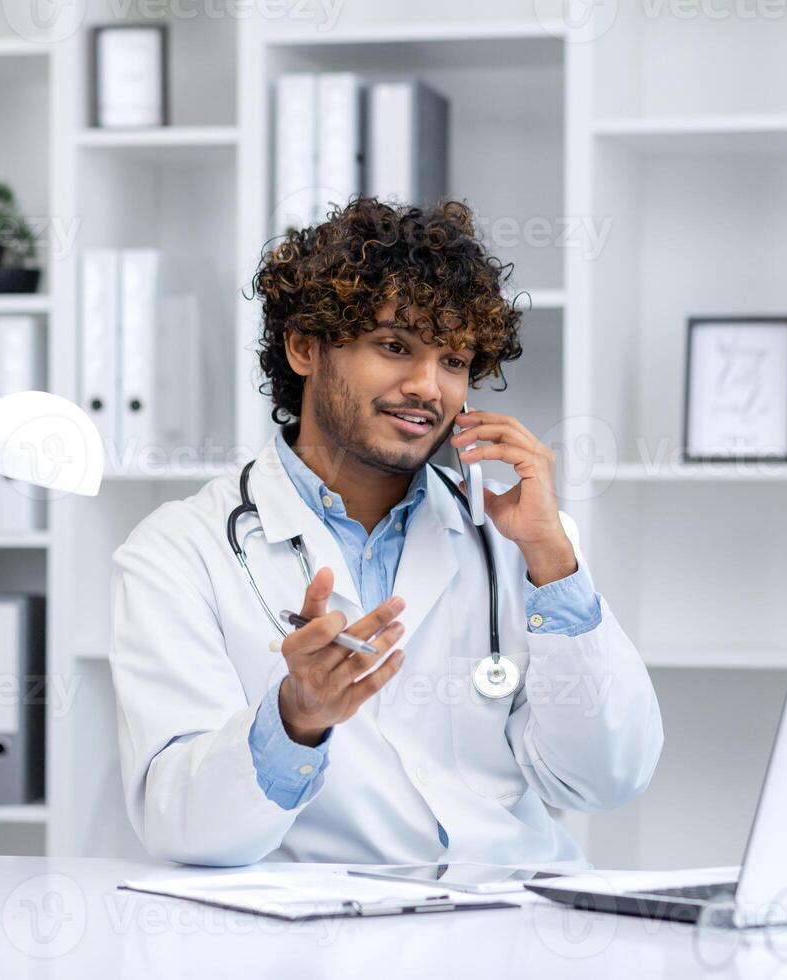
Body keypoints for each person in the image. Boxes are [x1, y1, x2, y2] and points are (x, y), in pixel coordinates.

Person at [109, 198, 662, 866]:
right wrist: (296, 718)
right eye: (395, 346)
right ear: (304, 346)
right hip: (318, 940)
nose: (428, 387)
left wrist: (554, 562)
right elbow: (184, 828)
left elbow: (607, 778)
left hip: (513, 920)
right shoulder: (178, 553)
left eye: (454, 360)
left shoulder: (519, 540)